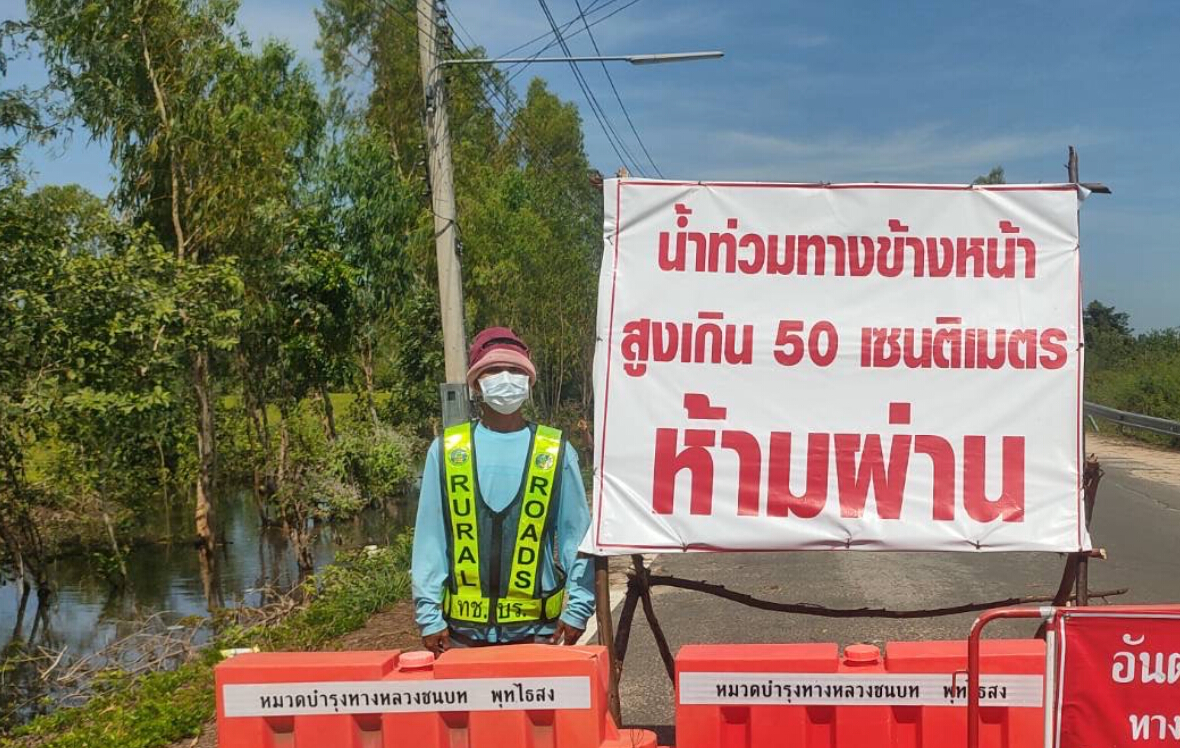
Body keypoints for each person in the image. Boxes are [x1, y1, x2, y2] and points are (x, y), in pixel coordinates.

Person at [411, 327, 595, 654]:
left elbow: (577, 540)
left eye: (516, 371)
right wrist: (429, 617)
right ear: (477, 382)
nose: (506, 378)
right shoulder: (448, 451)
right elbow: (430, 539)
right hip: (461, 635)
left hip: (539, 633)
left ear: (529, 381)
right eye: (495, 370)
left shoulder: (553, 451)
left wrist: (578, 608)